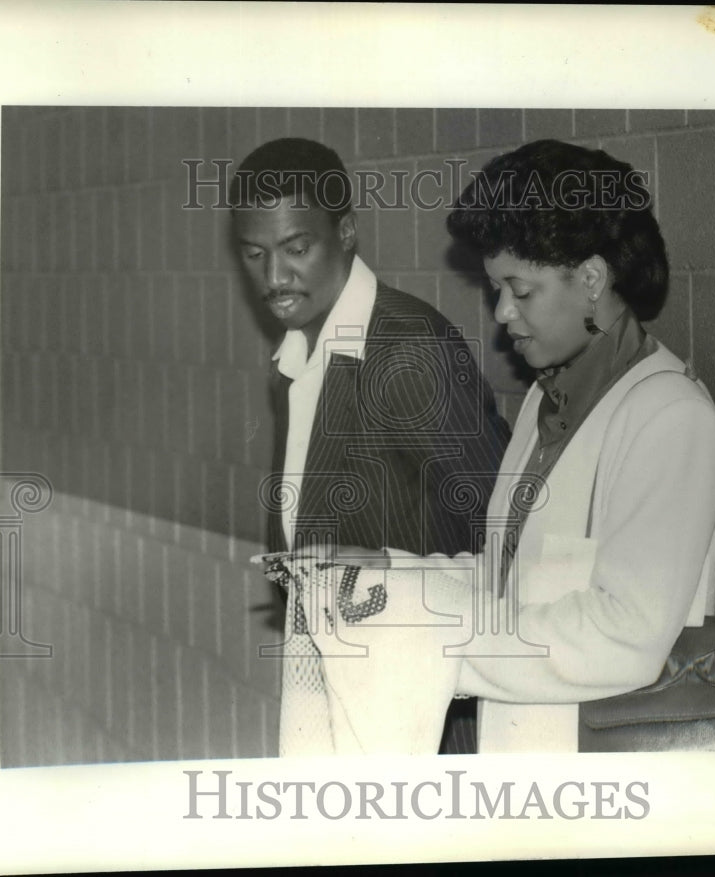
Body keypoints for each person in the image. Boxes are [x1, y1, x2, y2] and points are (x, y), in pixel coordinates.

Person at [299, 139, 715, 754]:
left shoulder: (671, 419)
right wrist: (395, 573)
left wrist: (431, 642)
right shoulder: (547, 397)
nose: (502, 311)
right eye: (496, 289)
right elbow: (515, 585)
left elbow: (626, 635)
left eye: (520, 290)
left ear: (590, 279)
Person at [229, 138, 511, 756]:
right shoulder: (303, 354)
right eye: (255, 254)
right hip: (354, 708)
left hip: (434, 725)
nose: (275, 278)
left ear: (347, 231)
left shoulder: (406, 348)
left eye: (297, 249)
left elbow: (510, 537)